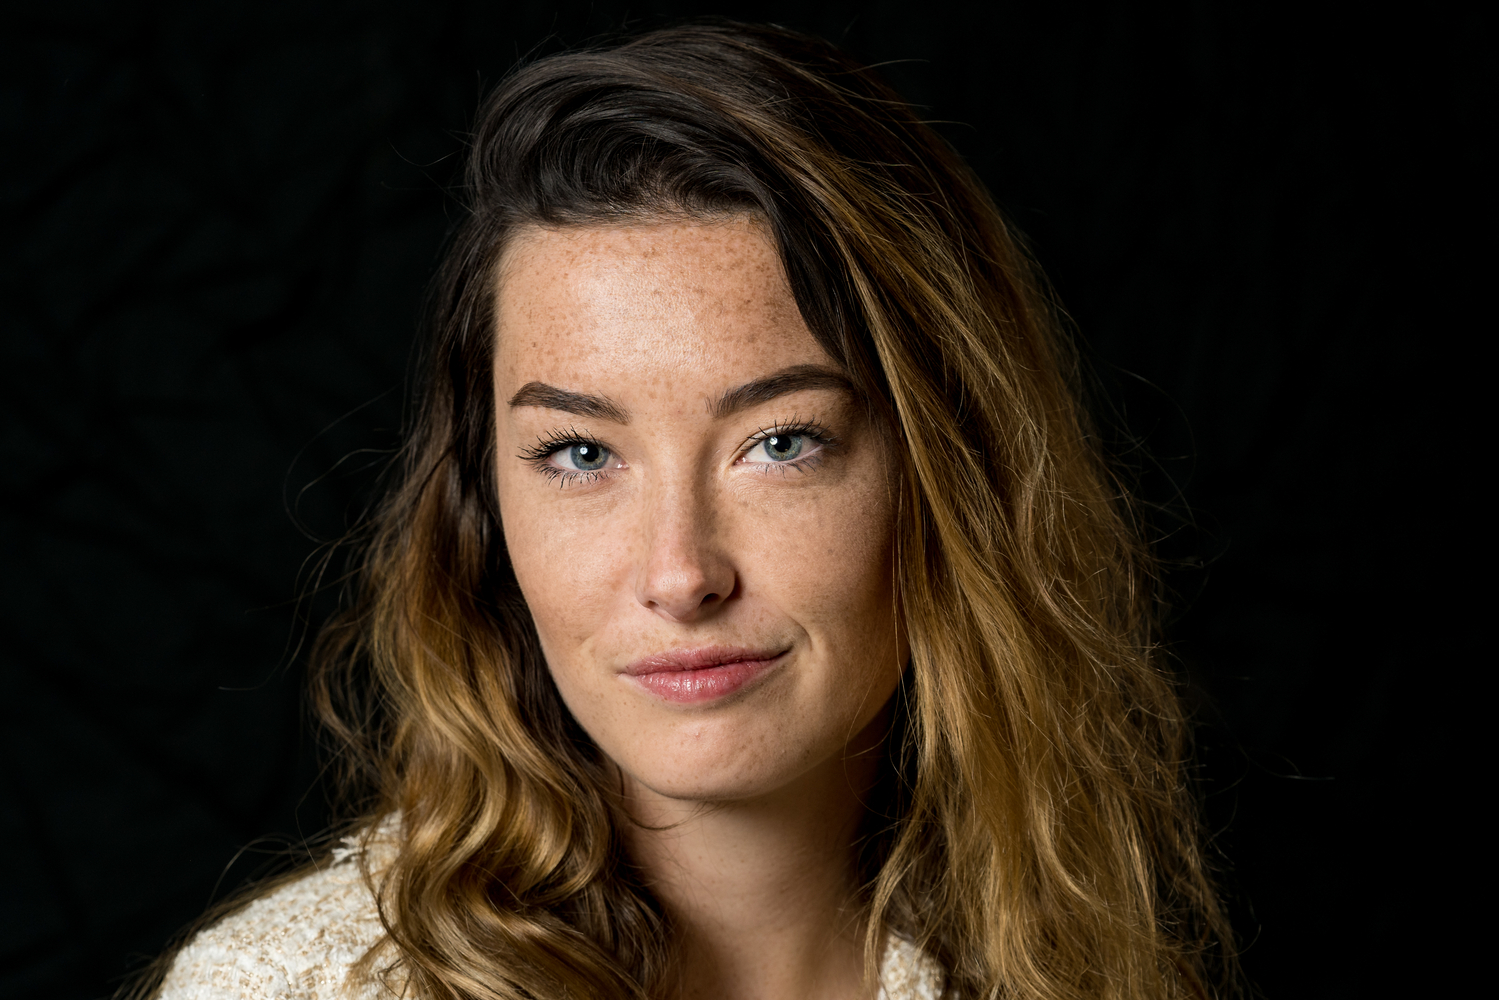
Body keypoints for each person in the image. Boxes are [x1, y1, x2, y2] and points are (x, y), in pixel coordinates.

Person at [146, 20, 1233, 1000]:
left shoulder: (1091, 964)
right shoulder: (284, 990)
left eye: (781, 442)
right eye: (581, 453)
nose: (680, 574)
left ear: (950, 476)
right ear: (483, 510)